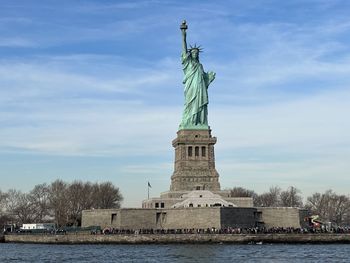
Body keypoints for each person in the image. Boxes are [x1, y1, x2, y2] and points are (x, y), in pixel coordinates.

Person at [179, 20, 215, 130]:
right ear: (191, 54)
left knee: (200, 105)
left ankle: (199, 122)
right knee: (190, 104)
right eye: (193, 52)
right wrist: (183, 34)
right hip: (191, 88)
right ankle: (190, 121)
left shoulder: (200, 65)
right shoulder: (188, 63)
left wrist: (209, 78)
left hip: (200, 88)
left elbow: (204, 79)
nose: (195, 54)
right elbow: (184, 50)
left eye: (197, 53)